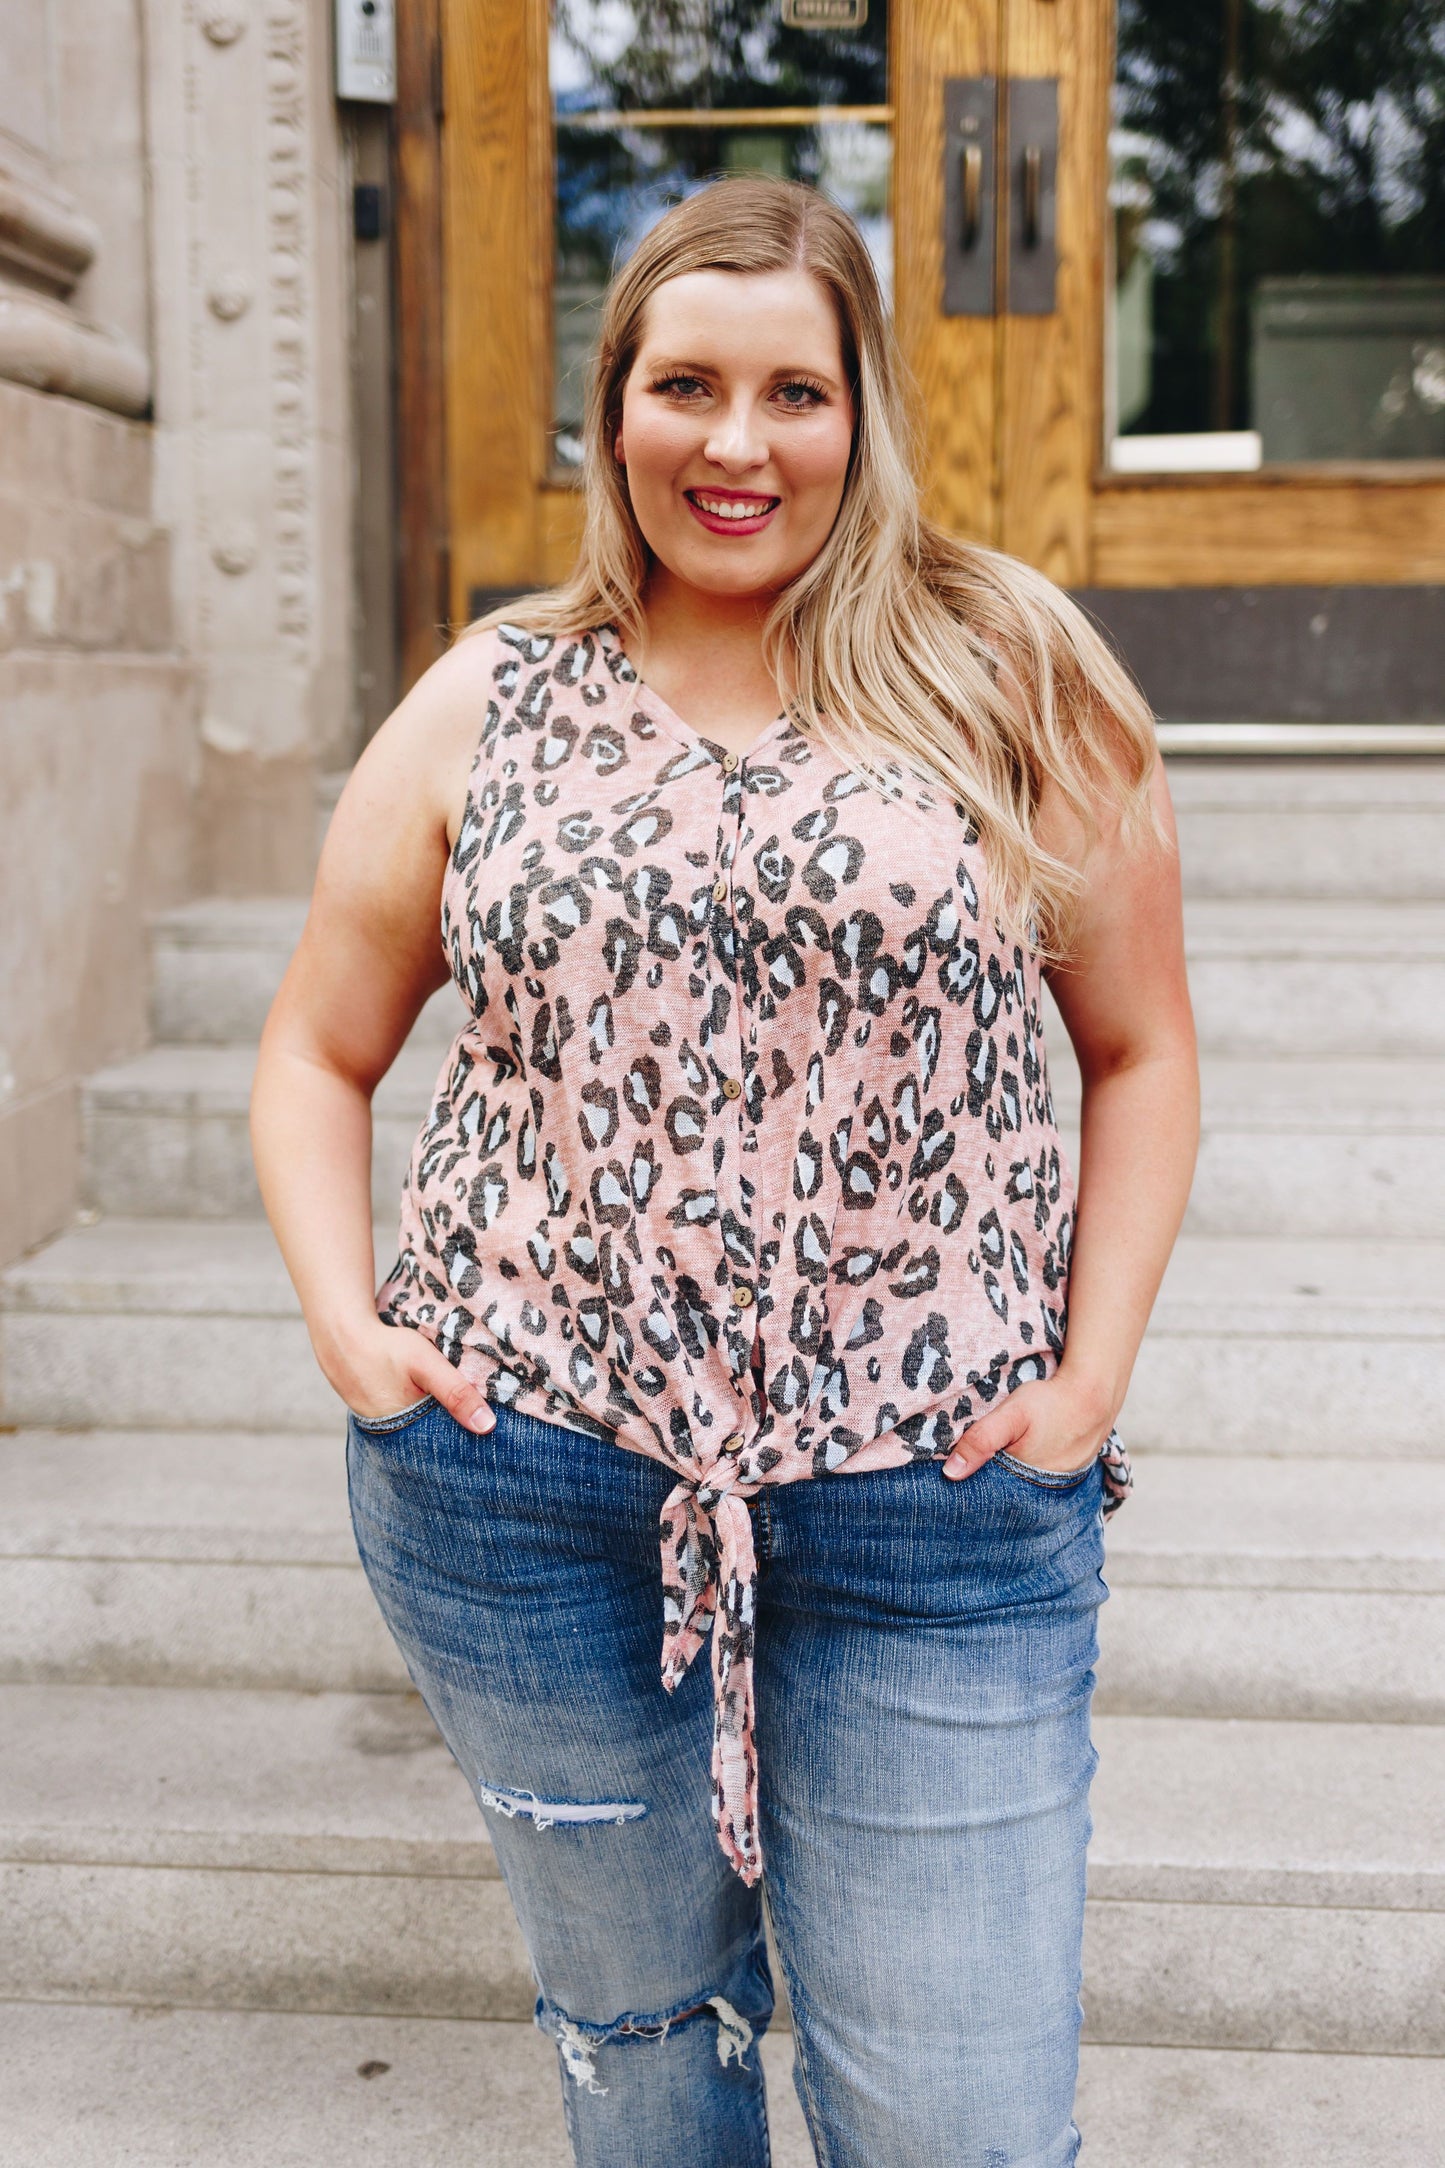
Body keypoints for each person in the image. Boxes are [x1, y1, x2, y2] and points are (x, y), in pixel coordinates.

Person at [250, 175, 1199, 2168]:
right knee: (643, 2043)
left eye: (796, 390)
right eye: (686, 385)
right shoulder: (486, 704)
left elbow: (1140, 1045)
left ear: (866, 410)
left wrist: (1089, 1379)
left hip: (934, 1501)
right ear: (613, 412)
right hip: (537, 1490)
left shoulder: (1005, 672)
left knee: (960, 2124)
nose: (739, 445)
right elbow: (318, 1050)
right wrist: (354, 1327)